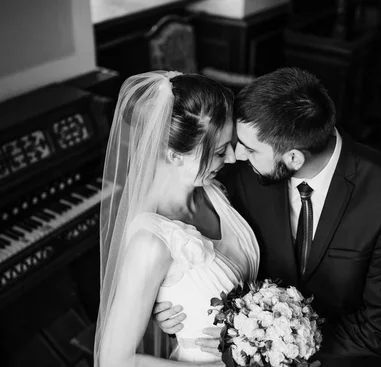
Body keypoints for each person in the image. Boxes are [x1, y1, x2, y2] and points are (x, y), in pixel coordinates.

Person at [155, 67, 381, 367]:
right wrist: (166, 300)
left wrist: (278, 348)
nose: (237, 155)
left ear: (293, 158)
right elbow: (178, 229)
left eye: (250, 150)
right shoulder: (237, 170)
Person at [95, 70, 260, 367]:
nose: (234, 158)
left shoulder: (215, 191)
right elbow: (113, 361)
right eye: (220, 151)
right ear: (174, 155)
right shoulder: (150, 244)